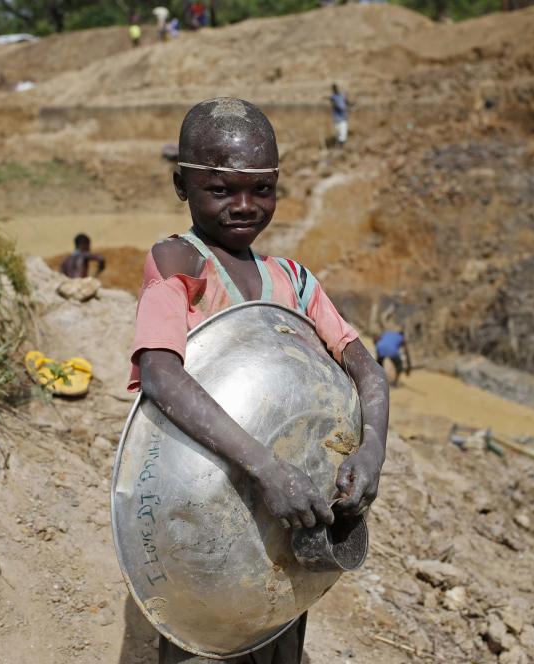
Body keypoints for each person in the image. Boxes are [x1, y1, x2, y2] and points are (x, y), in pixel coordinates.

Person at [128, 97, 389, 663]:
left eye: (261, 189)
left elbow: (365, 370)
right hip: (205, 512)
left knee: (279, 631)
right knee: (205, 640)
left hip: (290, 517)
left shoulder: (293, 282)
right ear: (182, 185)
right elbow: (160, 374)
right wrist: (267, 468)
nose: (244, 206)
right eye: (221, 190)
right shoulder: (180, 265)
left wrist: (372, 451)